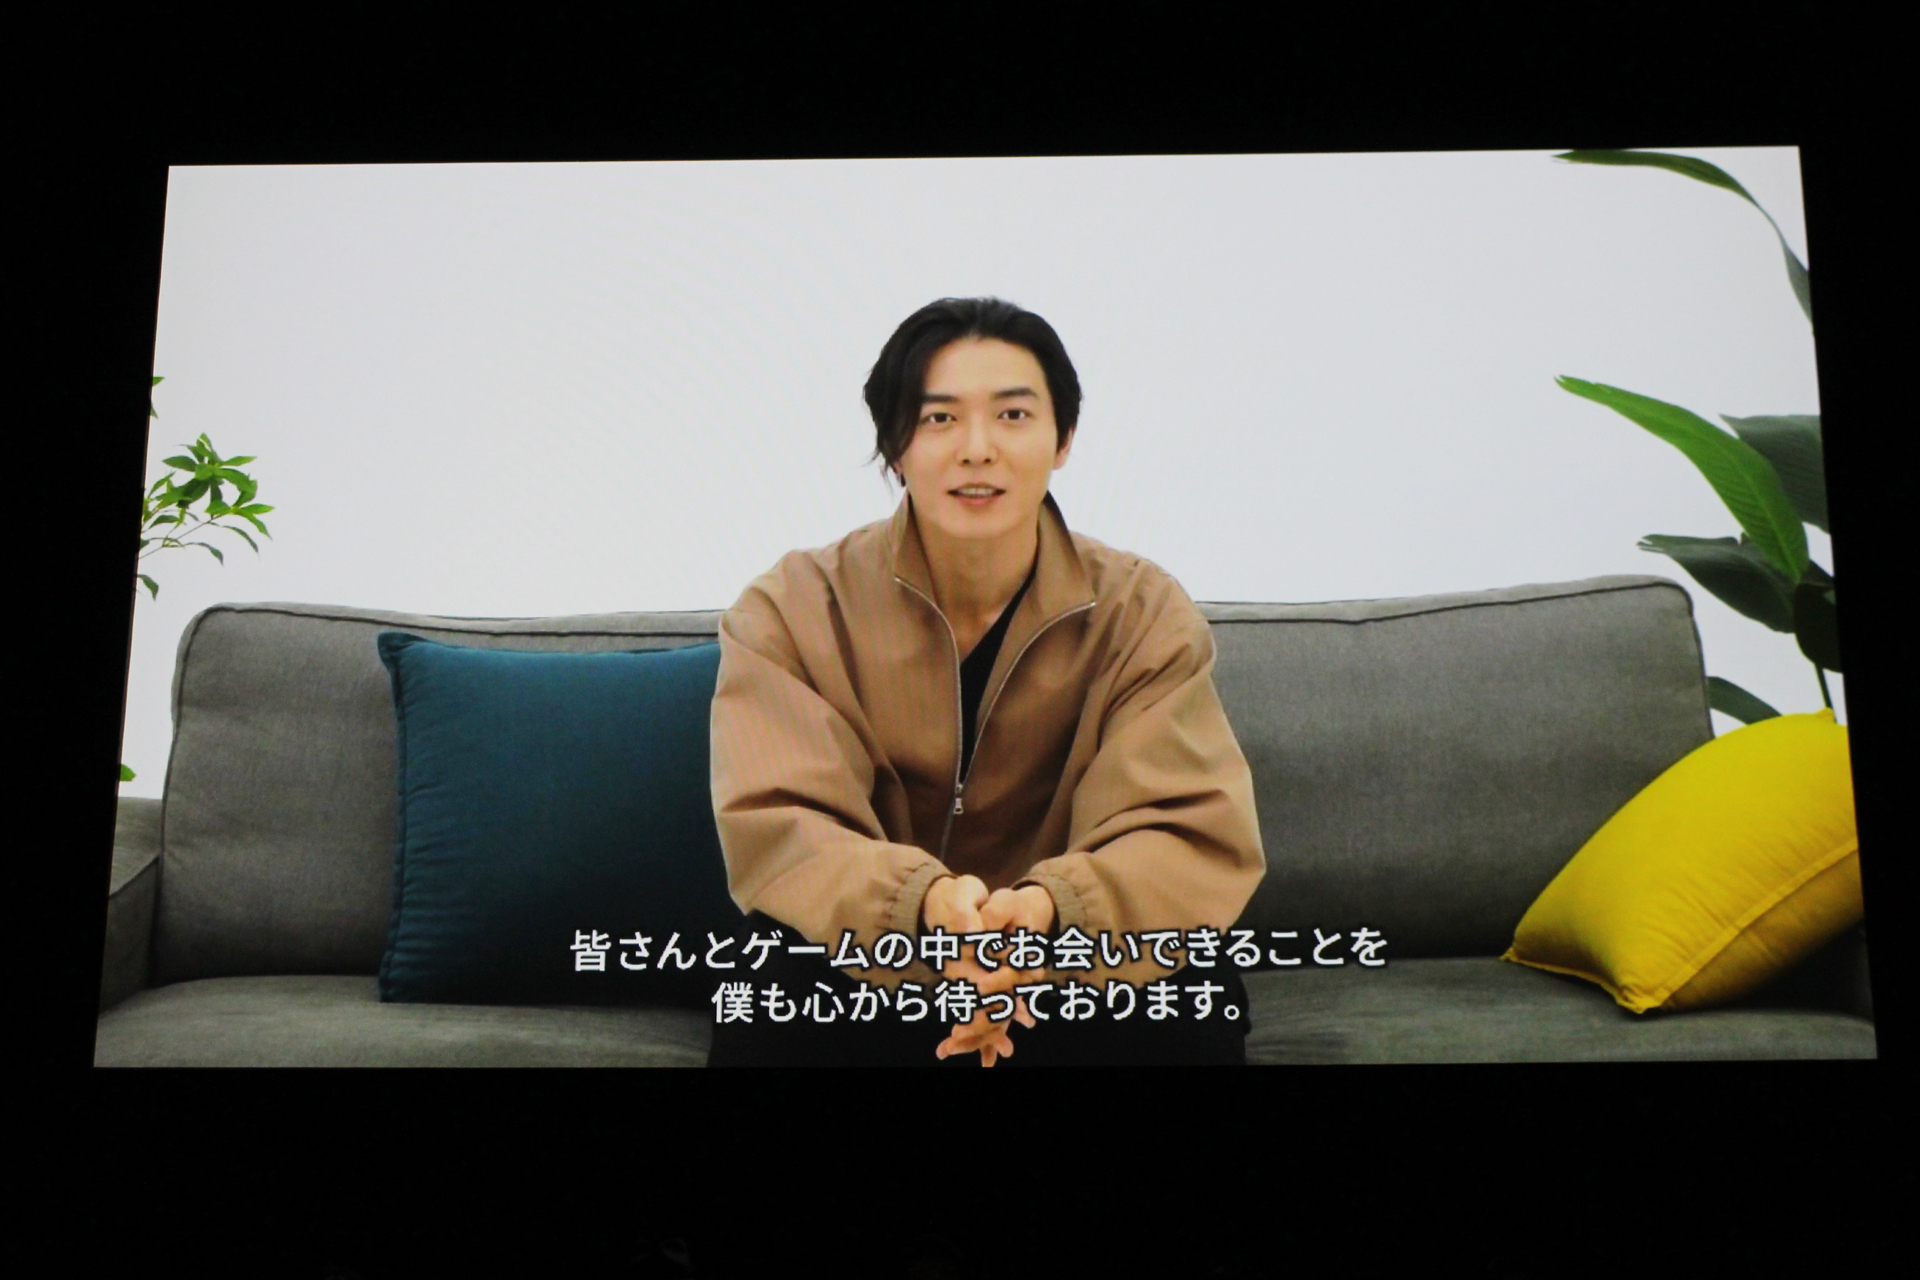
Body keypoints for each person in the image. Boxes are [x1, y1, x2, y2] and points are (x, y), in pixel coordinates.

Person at [706, 297, 1265, 1066]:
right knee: (769, 986)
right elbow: (787, 825)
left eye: (1012, 416)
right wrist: (927, 909)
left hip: (1072, 963)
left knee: (1193, 994)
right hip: (875, 956)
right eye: (939, 418)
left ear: (1062, 439)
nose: (977, 449)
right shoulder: (795, 608)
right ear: (894, 444)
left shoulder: (1142, 613)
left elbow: (1181, 830)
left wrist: (1047, 917)